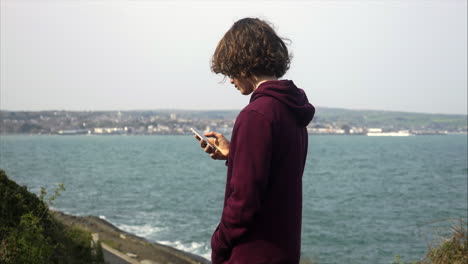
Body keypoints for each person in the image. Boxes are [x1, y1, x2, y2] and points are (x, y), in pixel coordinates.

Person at [195, 17, 315, 264]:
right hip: (283, 249)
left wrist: (218, 244)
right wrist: (234, 155)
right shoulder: (291, 109)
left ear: (243, 64)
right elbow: (275, 172)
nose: (230, 79)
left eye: (230, 70)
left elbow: (244, 200)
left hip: (252, 254)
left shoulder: (255, 115)